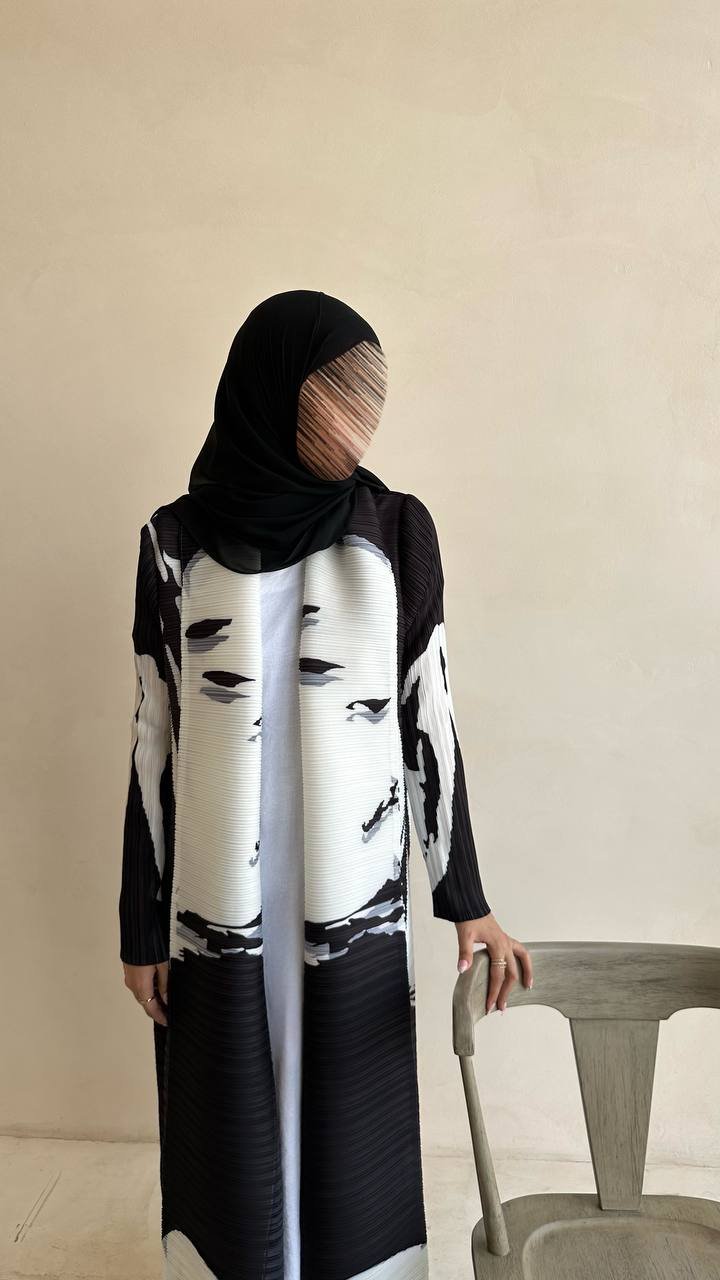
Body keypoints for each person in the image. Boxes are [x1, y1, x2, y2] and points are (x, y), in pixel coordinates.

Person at [118, 288, 532, 1280]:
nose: (359, 422)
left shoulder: (395, 531)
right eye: (336, 396)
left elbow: (429, 715)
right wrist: (141, 929)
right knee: (232, 1113)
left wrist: (467, 897)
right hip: (218, 901)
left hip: (352, 898)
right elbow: (153, 739)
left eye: (370, 398)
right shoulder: (175, 541)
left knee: (344, 1107)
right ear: (272, 394)